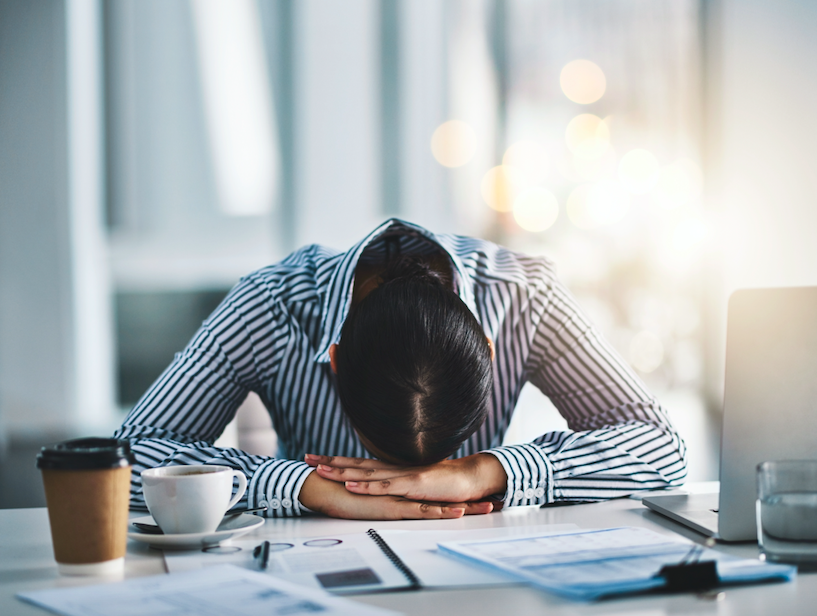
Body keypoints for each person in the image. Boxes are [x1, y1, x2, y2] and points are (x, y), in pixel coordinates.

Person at [115, 218, 687, 520]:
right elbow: (122, 459)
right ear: (334, 359)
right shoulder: (271, 306)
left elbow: (662, 447)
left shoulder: (525, 297)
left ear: (486, 350)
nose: (411, 492)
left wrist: (484, 472)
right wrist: (308, 488)